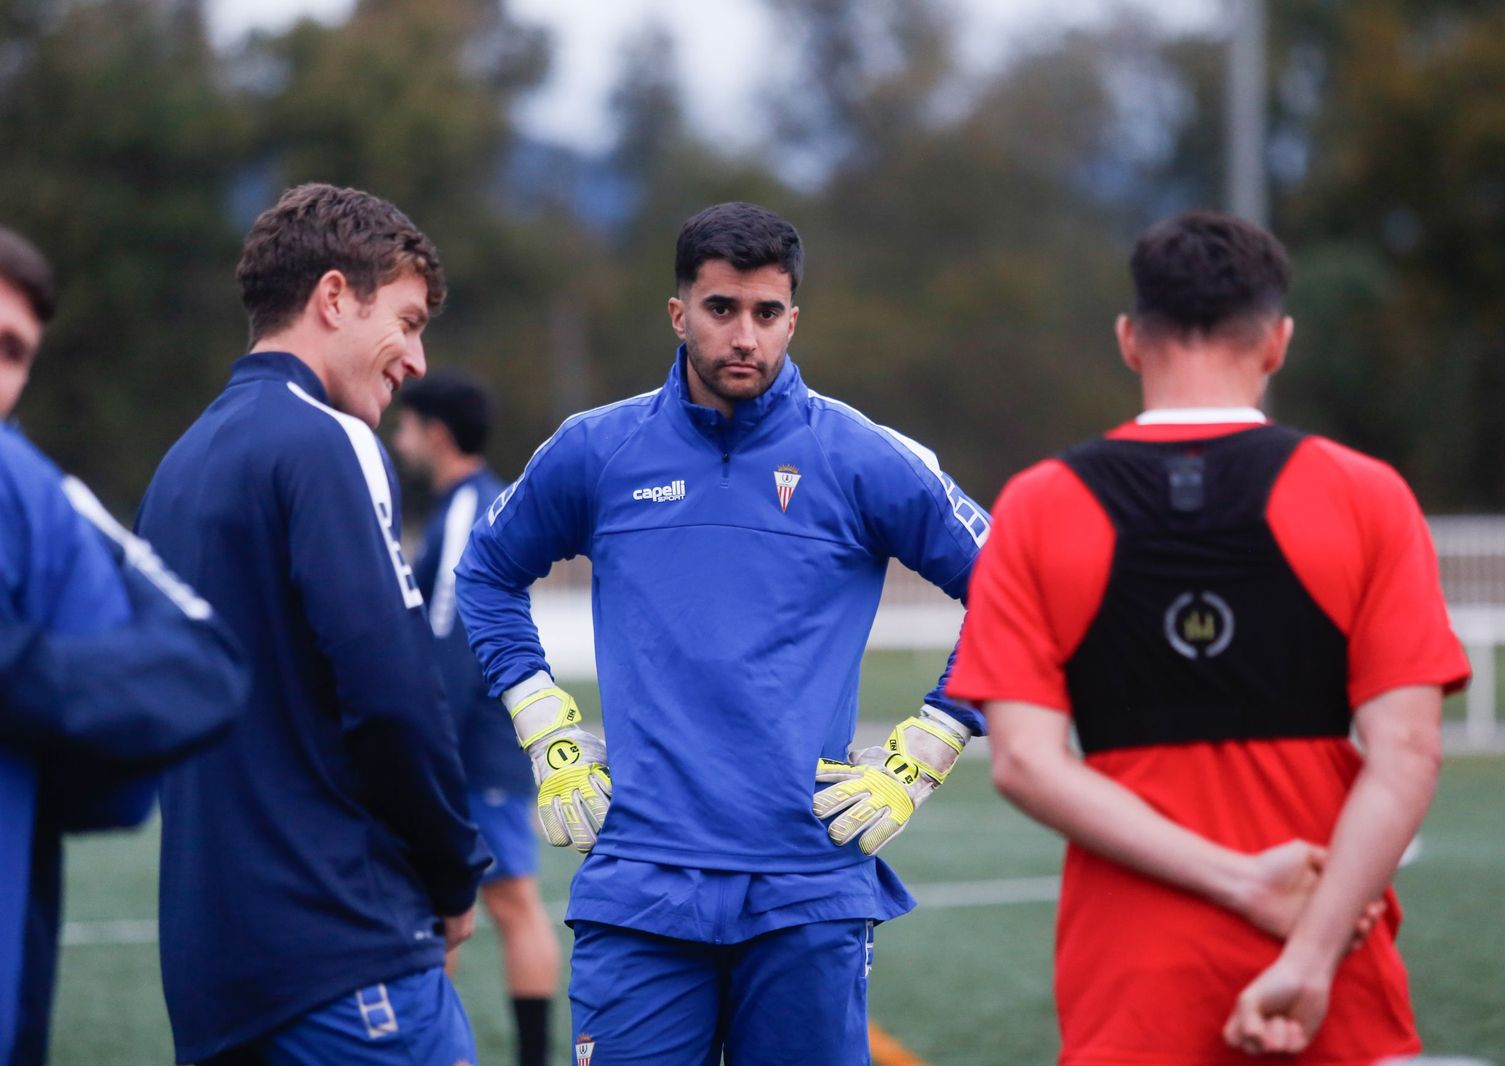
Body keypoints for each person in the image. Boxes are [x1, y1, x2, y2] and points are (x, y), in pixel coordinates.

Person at [454, 201, 990, 1065]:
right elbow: (485, 573)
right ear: (679, 313)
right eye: (721, 308)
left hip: (809, 883)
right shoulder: (597, 449)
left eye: (766, 312)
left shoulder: (860, 455)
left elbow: (1012, 589)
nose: (745, 336)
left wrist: (930, 744)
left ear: (793, 320)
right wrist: (543, 726)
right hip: (639, 882)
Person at [947, 210, 1471, 1065]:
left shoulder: (1038, 505)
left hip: (1131, 977)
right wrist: (1309, 958)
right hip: (1329, 963)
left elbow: (1024, 763)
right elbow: (1408, 751)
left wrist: (1241, 881)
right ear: (1278, 342)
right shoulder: (1367, 494)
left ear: (1129, 339)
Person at [137, 183, 492, 1066]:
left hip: (211, 978)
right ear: (335, 297)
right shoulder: (329, 442)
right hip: (345, 954)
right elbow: (394, 694)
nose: (417, 360)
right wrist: (455, 872)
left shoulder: (175, 468)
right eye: (407, 322)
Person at [0, 225, 246, 1065]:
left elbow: (200, 672)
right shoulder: (23, 485)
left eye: (11, 352)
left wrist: (21, 673)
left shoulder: (32, 492)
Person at [393, 370, 559, 1066]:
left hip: (469, 747)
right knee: (456, 905)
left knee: (504, 902)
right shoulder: (473, 503)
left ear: (435, 433)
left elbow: (449, 643)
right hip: (477, 744)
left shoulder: (468, 509)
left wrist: (427, 753)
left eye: (404, 426)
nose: (397, 441)